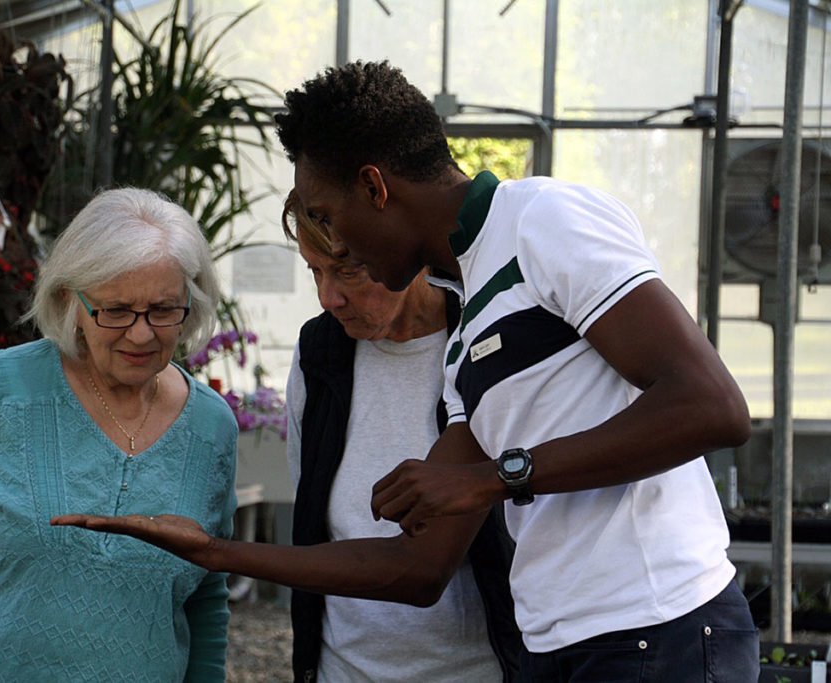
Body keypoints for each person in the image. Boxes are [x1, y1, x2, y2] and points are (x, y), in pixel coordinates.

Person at [56, 61, 761, 682]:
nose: (336, 259)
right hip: (561, 644)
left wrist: (496, 474)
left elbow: (712, 406)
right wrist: (217, 551)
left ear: (375, 187)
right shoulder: (468, 338)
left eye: (332, 219)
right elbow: (415, 564)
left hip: (657, 624)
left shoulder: (543, 220)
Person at [0, 187, 238, 682]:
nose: (141, 334)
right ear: (66, 298)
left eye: (163, 309)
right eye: (115, 310)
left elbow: (206, 596)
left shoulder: (211, 429)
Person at [281, 190, 518, 682]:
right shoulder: (318, 352)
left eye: (349, 270)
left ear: (399, 249)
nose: (329, 298)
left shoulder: (485, 342)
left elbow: (431, 568)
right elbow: (312, 515)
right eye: (315, 272)